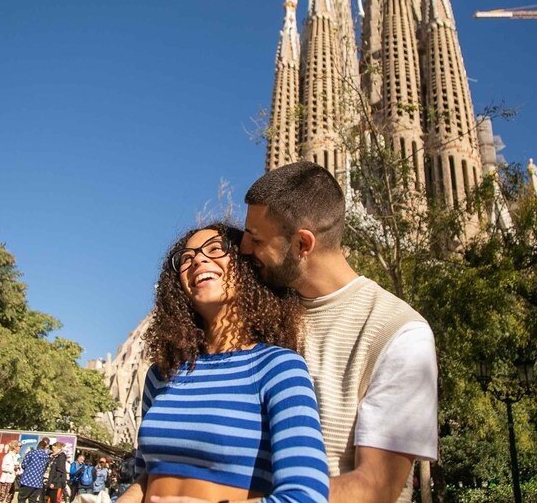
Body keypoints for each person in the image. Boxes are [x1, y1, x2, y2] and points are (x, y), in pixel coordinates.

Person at [239, 162, 439, 503]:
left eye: (256, 239)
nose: (244, 249)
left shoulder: (398, 333)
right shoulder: (262, 311)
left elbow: (374, 487)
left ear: (303, 243)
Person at [119, 223, 329, 503]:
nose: (198, 260)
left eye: (215, 249)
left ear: (247, 267)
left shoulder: (278, 368)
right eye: (186, 258)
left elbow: (307, 497)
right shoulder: (161, 374)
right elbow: (148, 473)